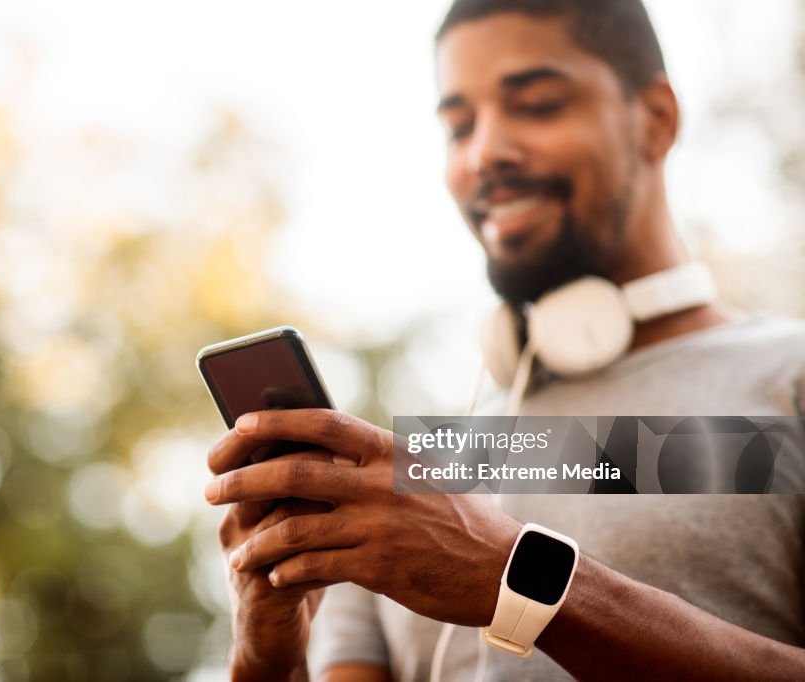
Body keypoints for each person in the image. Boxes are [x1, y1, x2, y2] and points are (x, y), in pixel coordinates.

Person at [204, 0, 805, 679]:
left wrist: (514, 577)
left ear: (656, 119)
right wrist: (263, 660)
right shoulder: (411, 477)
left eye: (539, 105)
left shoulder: (787, 379)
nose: (485, 151)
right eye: (459, 126)